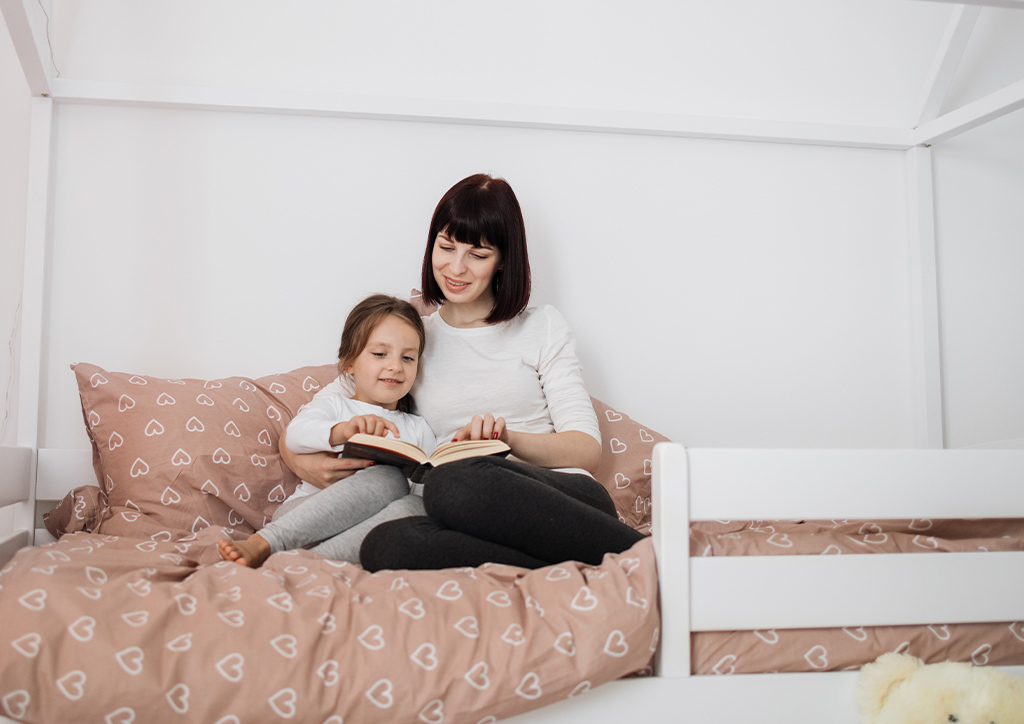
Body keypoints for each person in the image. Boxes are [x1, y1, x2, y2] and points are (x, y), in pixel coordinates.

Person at [280, 174, 644, 570]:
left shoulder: (543, 326)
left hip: (560, 497)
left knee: (454, 482)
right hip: (461, 509)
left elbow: (586, 450)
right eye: (446, 247)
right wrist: (297, 458)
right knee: (386, 545)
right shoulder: (412, 339)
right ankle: (558, 562)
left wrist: (505, 440)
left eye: (478, 254)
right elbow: (337, 399)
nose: (456, 267)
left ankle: (644, 552)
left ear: (504, 258)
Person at [217, 294, 435, 567]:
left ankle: (304, 564)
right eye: (380, 354)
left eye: (408, 358)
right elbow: (295, 437)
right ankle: (266, 542)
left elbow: (423, 489)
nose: (395, 366)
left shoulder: (418, 427)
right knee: (388, 479)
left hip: (357, 534)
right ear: (349, 362)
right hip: (302, 520)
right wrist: (342, 431)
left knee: (416, 507)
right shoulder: (335, 405)